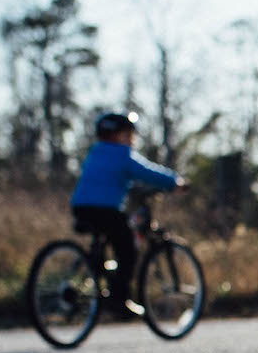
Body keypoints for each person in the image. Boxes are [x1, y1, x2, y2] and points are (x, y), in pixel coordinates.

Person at [70, 111, 183, 316]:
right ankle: (119, 299)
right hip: (105, 210)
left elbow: (104, 178)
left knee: (107, 242)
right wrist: (174, 181)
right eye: (129, 134)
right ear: (120, 135)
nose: (132, 139)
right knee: (128, 250)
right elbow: (148, 172)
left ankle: (97, 274)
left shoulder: (95, 152)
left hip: (80, 207)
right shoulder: (122, 154)